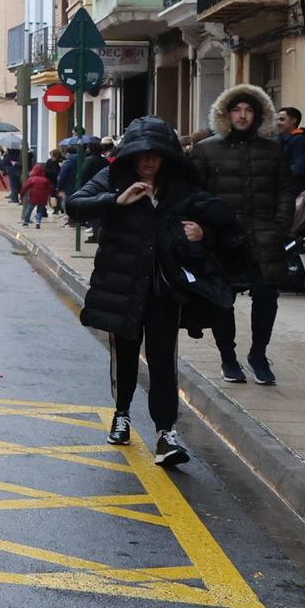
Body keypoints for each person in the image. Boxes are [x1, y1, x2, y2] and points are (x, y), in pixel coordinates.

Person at [66, 116, 249, 467]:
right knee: (124, 356)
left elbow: (225, 224)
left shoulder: (181, 188)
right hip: (122, 285)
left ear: (167, 157)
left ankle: (166, 432)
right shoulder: (114, 178)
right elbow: (75, 204)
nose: (148, 160)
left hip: (164, 291)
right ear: (131, 155)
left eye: (155, 154)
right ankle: (121, 414)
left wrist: (203, 235)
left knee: (164, 360)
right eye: (141, 153)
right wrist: (116, 200)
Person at [193, 84, 295, 384]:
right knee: (222, 300)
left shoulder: (273, 149)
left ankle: (258, 355)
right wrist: (205, 229)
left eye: (249, 110)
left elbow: (286, 190)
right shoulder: (207, 149)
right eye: (236, 110)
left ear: (259, 114)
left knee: (266, 295)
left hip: (264, 236)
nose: (242, 115)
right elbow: (195, 194)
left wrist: (280, 225)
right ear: (225, 114)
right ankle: (228, 358)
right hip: (221, 239)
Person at [278, 106, 305, 191]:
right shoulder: (281, 140)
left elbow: (299, 169)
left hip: (295, 191)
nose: (278, 123)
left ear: (293, 120)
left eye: (282, 119)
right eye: (278, 120)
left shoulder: (300, 140)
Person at [19, 162, 55, 228]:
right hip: (43, 198)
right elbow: (50, 188)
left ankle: (26, 222)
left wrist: (22, 194)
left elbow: (25, 187)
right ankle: (38, 222)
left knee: (29, 209)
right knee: (40, 210)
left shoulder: (32, 179)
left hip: (33, 197)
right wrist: (50, 195)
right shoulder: (45, 180)